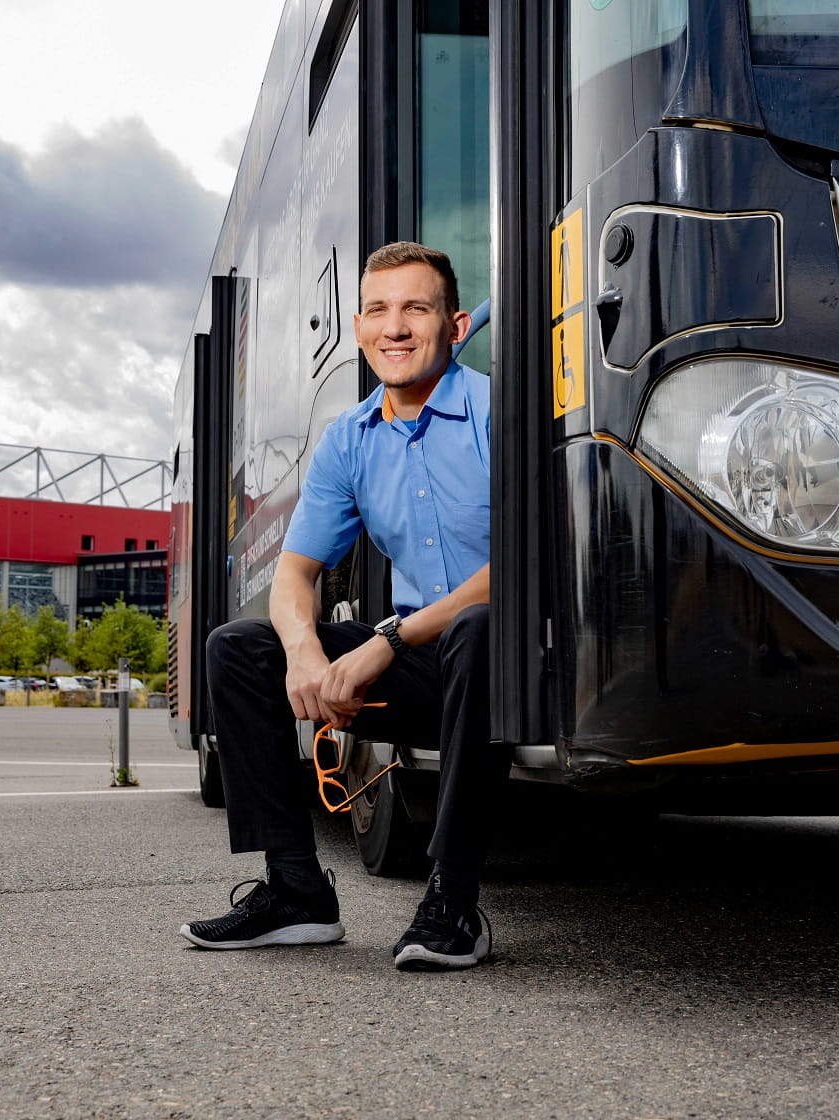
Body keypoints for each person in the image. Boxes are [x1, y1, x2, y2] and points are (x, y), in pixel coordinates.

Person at [178, 241, 504, 971]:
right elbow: (296, 576)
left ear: (454, 326)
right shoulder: (348, 441)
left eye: (416, 309)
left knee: (481, 627)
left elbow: (518, 567)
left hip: (512, 665)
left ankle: (454, 901)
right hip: (425, 667)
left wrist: (387, 639)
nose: (396, 327)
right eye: (380, 311)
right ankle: (296, 893)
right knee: (237, 648)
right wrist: (303, 652)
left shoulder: (498, 411)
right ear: (358, 328)